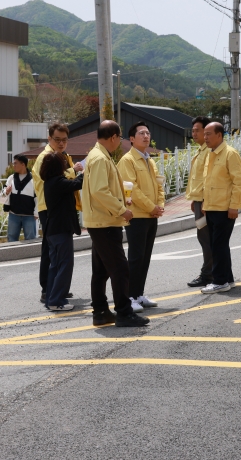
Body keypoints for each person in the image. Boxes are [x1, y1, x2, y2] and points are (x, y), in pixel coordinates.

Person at [82, 120, 149, 328]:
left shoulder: (97, 155)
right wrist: (122, 209)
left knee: (101, 270)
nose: (119, 142)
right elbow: (100, 191)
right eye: (119, 138)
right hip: (105, 220)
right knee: (120, 268)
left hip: (100, 219)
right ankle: (123, 312)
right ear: (113, 137)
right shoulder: (101, 158)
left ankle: (101, 311)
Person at [117, 121, 165, 312]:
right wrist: (151, 206)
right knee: (135, 258)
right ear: (131, 139)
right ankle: (129, 296)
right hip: (137, 216)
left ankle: (138, 294)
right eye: (141, 133)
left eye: (147, 133)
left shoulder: (150, 160)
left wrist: (159, 206)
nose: (146, 136)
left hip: (151, 215)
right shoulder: (127, 161)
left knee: (145, 257)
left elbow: (159, 185)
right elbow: (132, 190)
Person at [32, 123, 82, 303]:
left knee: (55, 252)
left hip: (57, 207)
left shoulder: (61, 156)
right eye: (57, 140)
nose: (61, 143)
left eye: (64, 140)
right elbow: (49, 178)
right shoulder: (45, 157)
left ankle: (56, 288)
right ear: (49, 139)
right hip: (48, 208)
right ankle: (48, 289)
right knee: (50, 250)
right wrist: (74, 171)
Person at [200, 122, 241, 294]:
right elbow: (209, 182)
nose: (205, 137)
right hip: (212, 207)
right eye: (204, 134)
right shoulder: (210, 154)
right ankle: (228, 278)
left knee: (218, 245)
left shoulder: (230, 154)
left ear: (219, 135)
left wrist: (234, 206)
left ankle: (220, 281)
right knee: (218, 245)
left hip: (224, 208)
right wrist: (205, 204)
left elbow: (240, 182)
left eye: (208, 134)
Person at [40, 152, 85, 311]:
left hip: (52, 230)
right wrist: (85, 172)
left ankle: (51, 298)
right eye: (64, 164)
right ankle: (57, 300)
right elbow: (77, 184)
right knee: (65, 264)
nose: (66, 166)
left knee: (55, 266)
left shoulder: (49, 182)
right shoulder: (58, 182)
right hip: (60, 230)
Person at [185, 116, 214, 287]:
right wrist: (194, 199)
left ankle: (208, 274)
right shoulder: (200, 151)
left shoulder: (208, 152)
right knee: (205, 238)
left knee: (206, 239)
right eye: (193, 130)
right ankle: (210, 272)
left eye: (198, 130)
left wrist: (204, 201)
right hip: (199, 201)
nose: (194, 133)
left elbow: (208, 179)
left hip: (205, 202)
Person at [5, 154, 38, 242]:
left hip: (29, 216)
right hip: (13, 215)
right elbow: (4, 192)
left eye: (15, 163)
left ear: (23, 164)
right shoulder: (11, 178)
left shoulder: (33, 179)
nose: (13, 166)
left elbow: (37, 198)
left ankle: (31, 256)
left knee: (30, 239)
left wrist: (36, 213)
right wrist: (6, 192)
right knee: (11, 239)